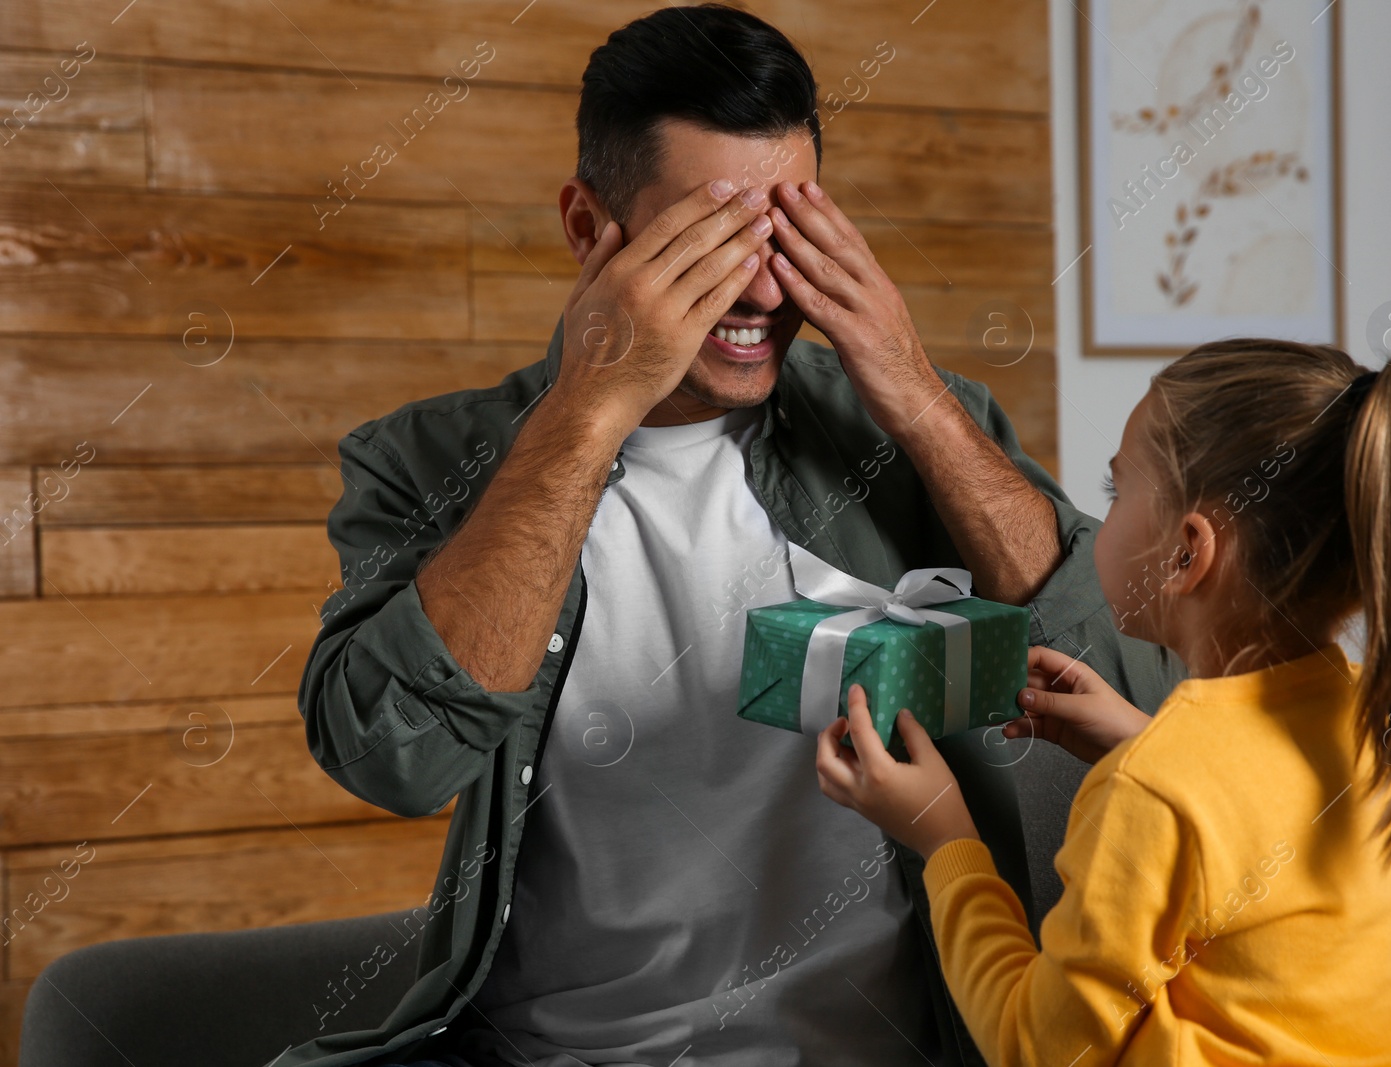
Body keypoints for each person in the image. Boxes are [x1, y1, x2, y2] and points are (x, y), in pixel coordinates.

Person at [290, 5, 1180, 1066]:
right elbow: (392, 758)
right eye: (711, 240)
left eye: (786, 232)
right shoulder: (425, 462)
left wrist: (915, 393)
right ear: (589, 230)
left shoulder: (912, 431)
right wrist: (586, 411)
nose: (763, 288)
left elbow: (1137, 689)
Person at [817, 339, 1391, 1065]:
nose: (1096, 517)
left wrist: (943, 836)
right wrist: (1139, 737)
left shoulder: (1157, 791)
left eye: (1116, 491)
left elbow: (1034, 1047)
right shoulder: (1370, 710)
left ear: (1187, 553)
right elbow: (1253, 831)